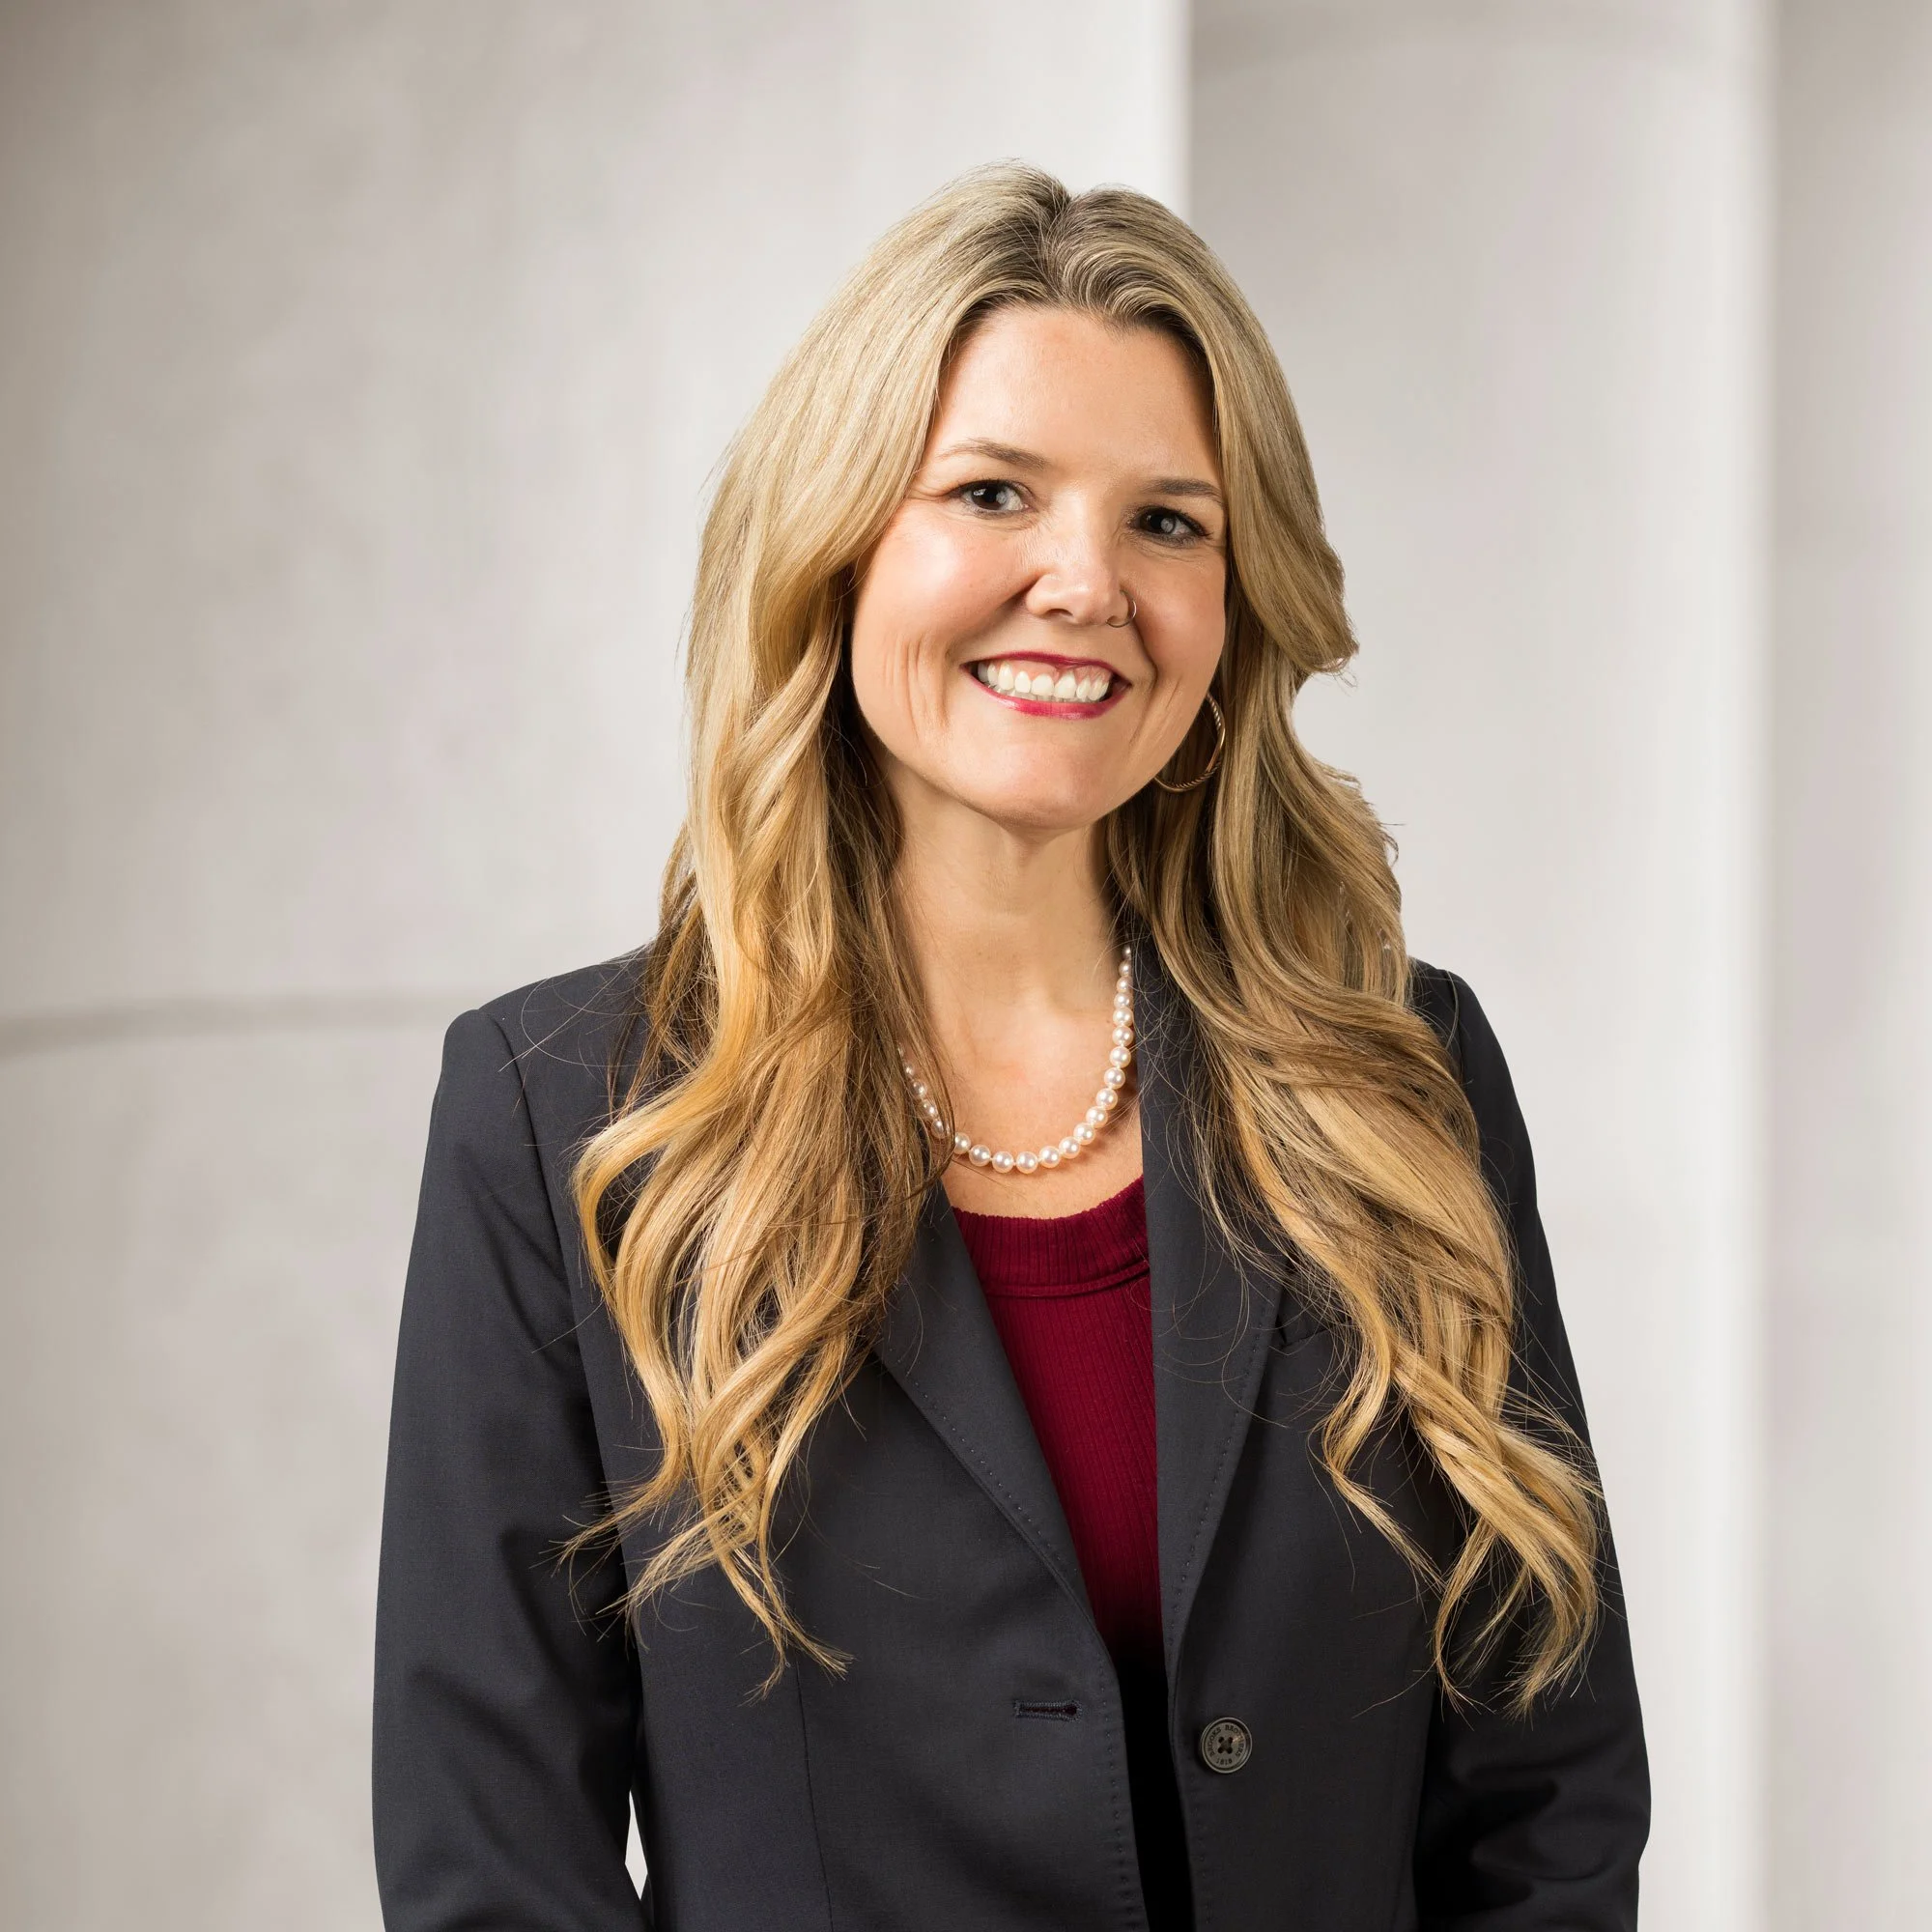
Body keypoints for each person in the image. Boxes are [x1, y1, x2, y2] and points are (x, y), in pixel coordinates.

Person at [372, 163, 1648, 1931]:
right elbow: (493, 1864)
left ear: (1236, 595)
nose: (1085, 584)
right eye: (993, 493)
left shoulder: (1402, 1079)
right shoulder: (564, 1117)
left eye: (1169, 523)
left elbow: (1547, 1792)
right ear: (835, 548)